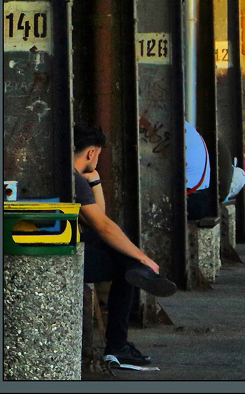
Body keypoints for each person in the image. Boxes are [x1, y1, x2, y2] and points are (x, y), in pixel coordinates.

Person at [73, 123, 177, 369]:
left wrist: (95, 181)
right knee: (126, 264)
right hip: (66, 254)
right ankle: (117, 346)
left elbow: (98, 217)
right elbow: (103, 226)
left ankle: (136, 268)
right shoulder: (73, 179)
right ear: (91, 153)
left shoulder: (70, 176)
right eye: (98, 154)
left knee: (121, 247)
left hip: (69, 243)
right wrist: (143, 258)